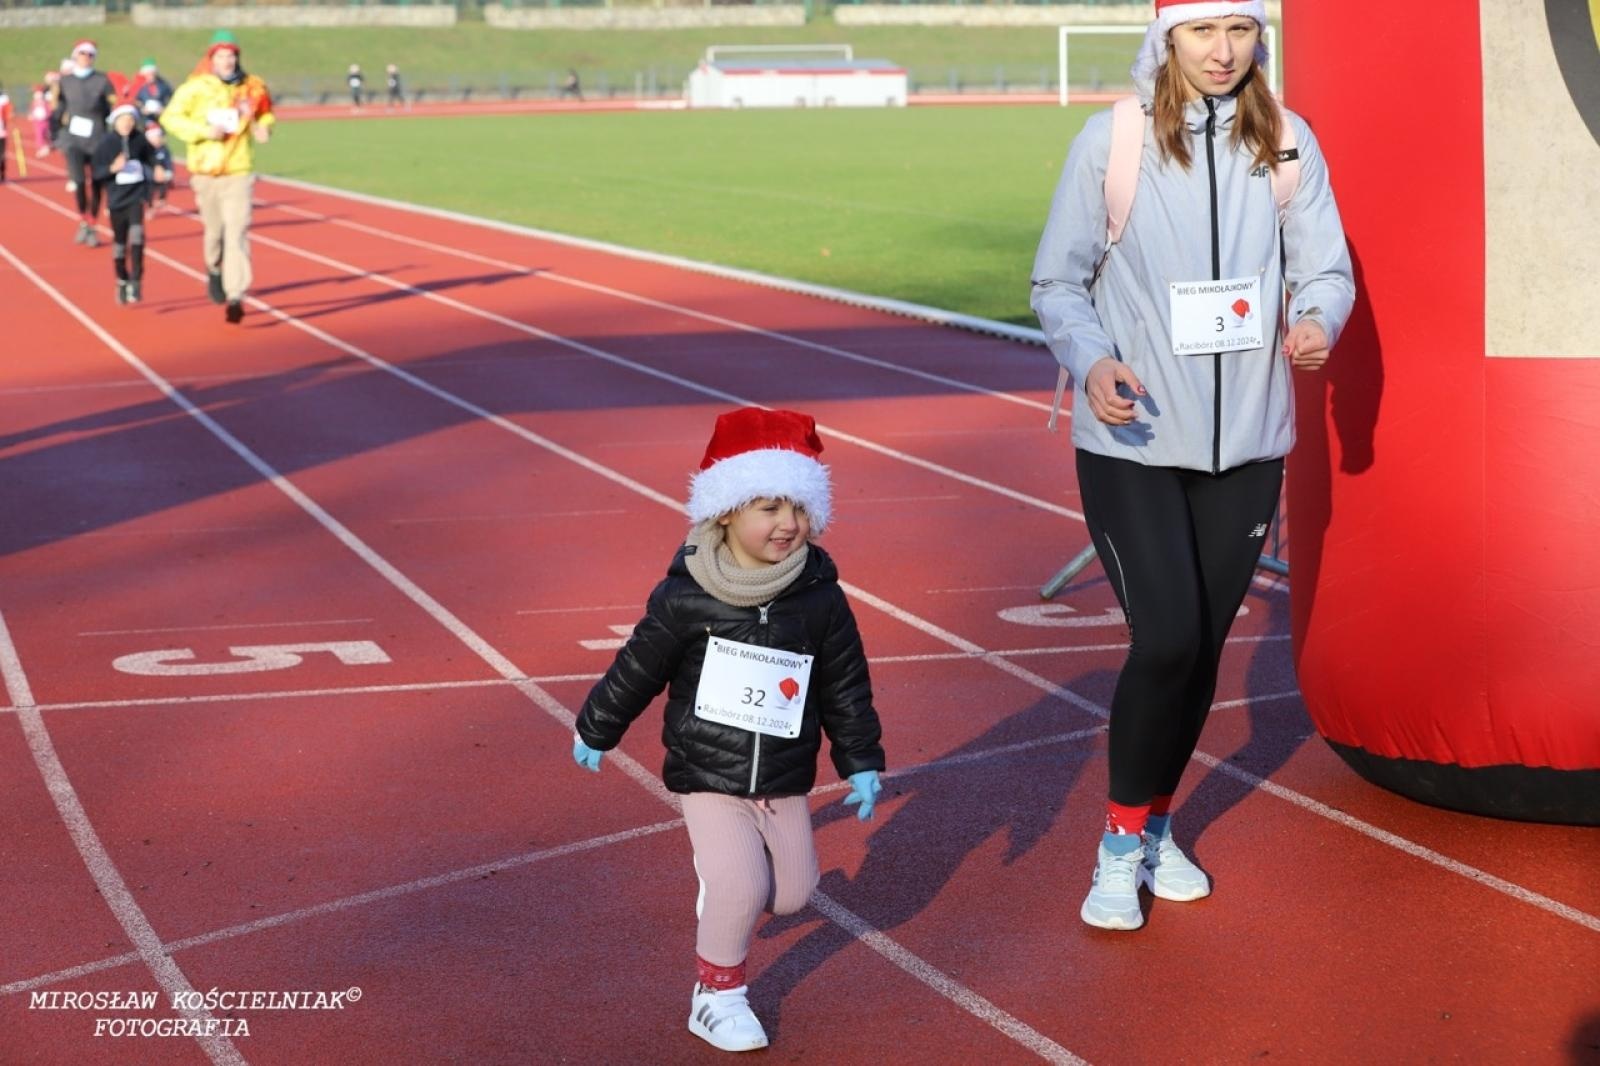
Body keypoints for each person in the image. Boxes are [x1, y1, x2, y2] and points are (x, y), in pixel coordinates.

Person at [1030, 0, 1355, 932]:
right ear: (1166, 40)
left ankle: (1157, 823)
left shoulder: (1288, 143)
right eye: (1203, 33)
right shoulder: (1114, 142)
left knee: (1203, 649)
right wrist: (1093, 362)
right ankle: (1118, 847)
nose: (1223, 53)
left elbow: (1326, 269)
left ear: (1261, 39)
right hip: (1133, 440)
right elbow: (1057, 279)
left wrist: (1316, 322)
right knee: (1167, 639)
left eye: (1241, 32)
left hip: (1248, 443)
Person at [573, 407, 886, 1053]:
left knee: (795, 896)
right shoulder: (686, 596)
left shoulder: (820, 596)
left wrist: (860, 759)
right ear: (725, 511)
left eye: (797, 508)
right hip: (706, 769)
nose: (787, 524)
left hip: (783, 773)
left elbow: (844, 685)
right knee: (741, 885)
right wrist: (598, 727)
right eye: (768, 508)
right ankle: (718, 997)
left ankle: (726, 889)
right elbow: (637, 668)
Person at [161, 30, 275, 324]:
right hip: (206, 171)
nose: (227, 60)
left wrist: (264, 127)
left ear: (238, 57)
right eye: (221, 55)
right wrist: (202, 131)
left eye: (232, 55)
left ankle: (236, 294)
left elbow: (265, 112)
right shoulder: (195, 87)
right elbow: (170, 118)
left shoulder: (253, 86)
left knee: (237, 232)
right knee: (214, 233)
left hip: (239, 171)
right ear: (211, 58)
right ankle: (214, 269)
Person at [91, 103, 167, 305]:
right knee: (119, 245)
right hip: (116, 200)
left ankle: (136, 280)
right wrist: (112, 168)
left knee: (138, 237)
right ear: (115, 121)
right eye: (123, 120)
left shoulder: (139, 140)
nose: (127, 124)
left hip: (136, 196)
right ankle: (122, 279)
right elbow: (96, 174)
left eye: (131, 120)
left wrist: (157, 167)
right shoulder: (106, 143)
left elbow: (151, 156)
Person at [56, 40, 117, 246]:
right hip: (74, 140)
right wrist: (53, 132)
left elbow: (112, 107)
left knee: (98, 183)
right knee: (79, 181)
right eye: (82, 53)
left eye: (90, 54)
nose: (86, 57)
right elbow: (59, 108)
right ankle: (83, 219)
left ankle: (91, 225)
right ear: (75, 55)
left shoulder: (102, 80)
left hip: (98, 138)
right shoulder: (66, 81)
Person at [143, 121, 173, 211]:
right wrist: (151, 175)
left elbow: (168, 162)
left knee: (164, 186)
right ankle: (149, 204)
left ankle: (161, 198)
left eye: (158, 137)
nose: (157, 140)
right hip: (149, 177)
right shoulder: (145, 149)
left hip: (162, 175)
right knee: (149, 191)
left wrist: (169, 171)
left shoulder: (164, 149)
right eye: (154, 138)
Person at [30, 83, 52, 158]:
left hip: (45, 121)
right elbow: (33, 110)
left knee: (46, 133)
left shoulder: (45, 103)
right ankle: (41, 148)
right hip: (37, 121)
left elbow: (49, 110)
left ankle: (47, 146)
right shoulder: (34, 103)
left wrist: (48, 115)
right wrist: (32, 115)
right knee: (39, 134)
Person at [0, 86, 11, 183]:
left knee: (2, 154)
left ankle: (2, 173)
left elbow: (9, 113)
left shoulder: (3, 100)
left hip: (1, 132)